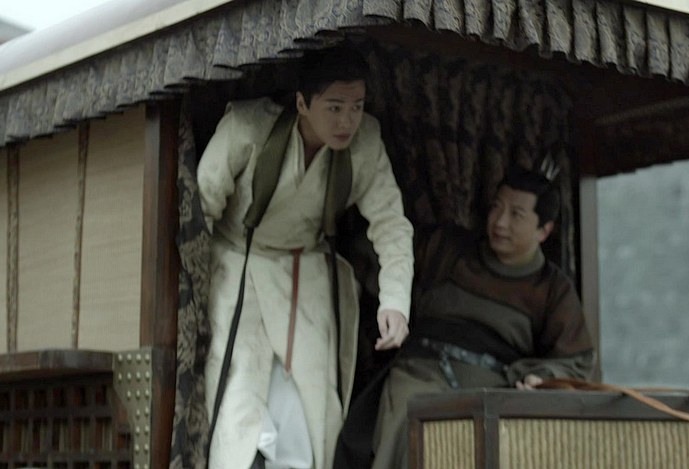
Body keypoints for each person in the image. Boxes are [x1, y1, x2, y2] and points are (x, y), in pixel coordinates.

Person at [197, 44, 413, 469]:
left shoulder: (365, 143)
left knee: (315, 401)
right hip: (237, 262)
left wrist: (395, 301)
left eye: (356, 107)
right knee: (237, 394)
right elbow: (199, 209)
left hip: (305, 269)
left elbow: (391, 224)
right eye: (334, 107)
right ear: (302, 103)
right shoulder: (246, 129)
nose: (347, 121)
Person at [362, 164, 595, 469]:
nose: (500, 222)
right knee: (413, 430)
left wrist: (542, 377)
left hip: (494, 389)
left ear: (544, 230)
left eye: (516, 215)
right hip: (421, 371)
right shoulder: (448, 248)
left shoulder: (552, 288)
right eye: (497, 207)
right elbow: (386, 254)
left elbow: (576, 361)